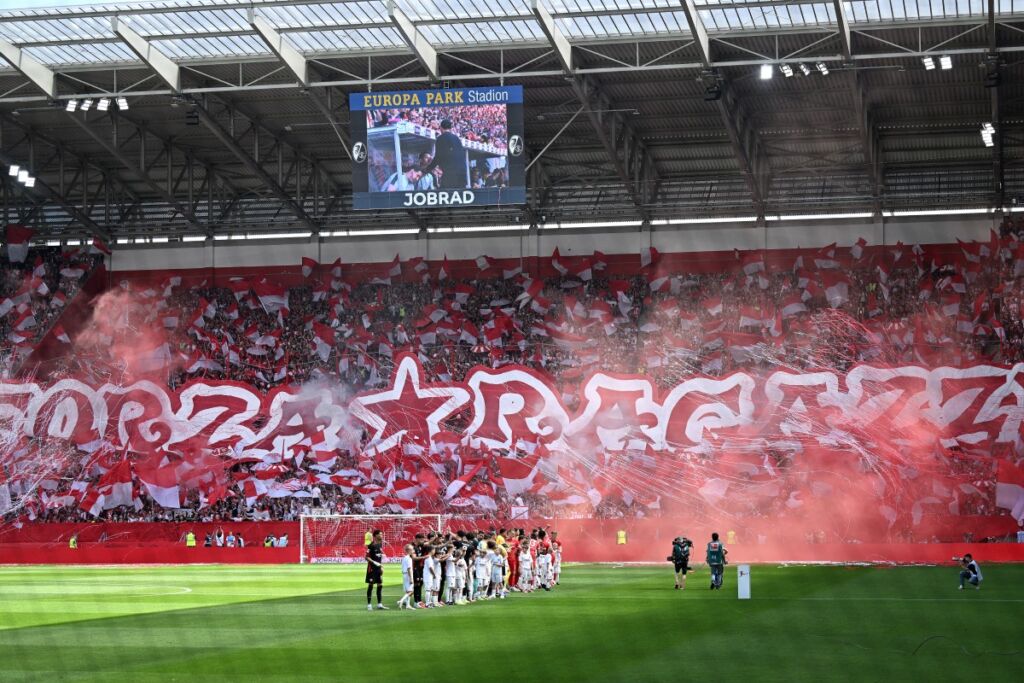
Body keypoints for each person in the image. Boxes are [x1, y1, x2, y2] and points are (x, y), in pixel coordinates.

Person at [422, 119, 467, 189]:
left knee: (444, 193)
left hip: (451, 174)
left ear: (441, 128)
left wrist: (427, 169)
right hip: (463, 174)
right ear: (450, 128)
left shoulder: (440, 138)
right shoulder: (457, 138)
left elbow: (437, 158)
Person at [365, 529, 388, 611]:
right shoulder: (371, 545)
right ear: (376, 535)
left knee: (380, 585)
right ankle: (369, 605)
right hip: (372, 569)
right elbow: (366, 557)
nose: (382, 536)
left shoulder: (380, 544)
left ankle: (379, 604)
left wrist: (381, 565)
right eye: (380, 534)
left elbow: (379, 556)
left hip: (378, 569)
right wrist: (375, 562)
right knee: (371, 585)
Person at [397, 544, 417, 610]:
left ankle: (408, 605)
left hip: (404, 574)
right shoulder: (409, 558)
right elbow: (409, 568)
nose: (413, 551)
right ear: (409, 550)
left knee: (408, 591)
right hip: (408, 575)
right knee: (411, 591)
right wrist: (411, 578)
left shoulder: (405, 558)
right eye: (412, 549)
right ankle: (401, 601)